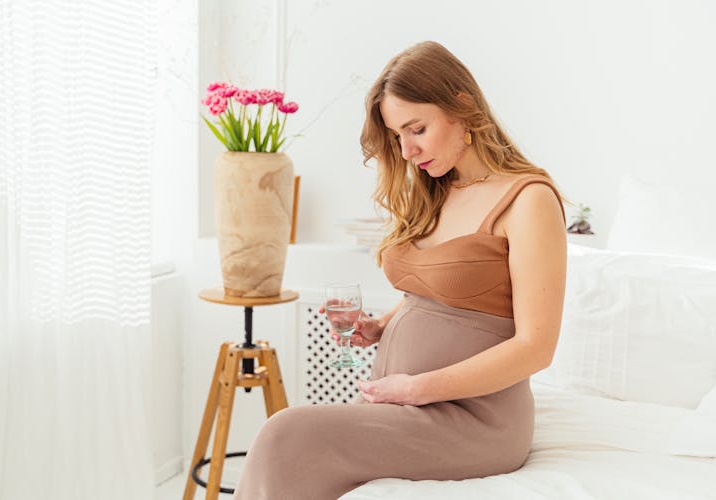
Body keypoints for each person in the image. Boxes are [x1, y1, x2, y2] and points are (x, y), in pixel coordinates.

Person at [234, 40, 567, 500]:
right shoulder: (437, 192)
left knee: (284, 433)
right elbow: (433, 295)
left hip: (475, 419)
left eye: (417, 129)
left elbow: (536, 347)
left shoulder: (529, 200)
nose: (407, 151)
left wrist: (417, 389)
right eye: (396, 137)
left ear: (463, 106)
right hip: (408, 404)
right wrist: (381, 325)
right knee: (292, 454)